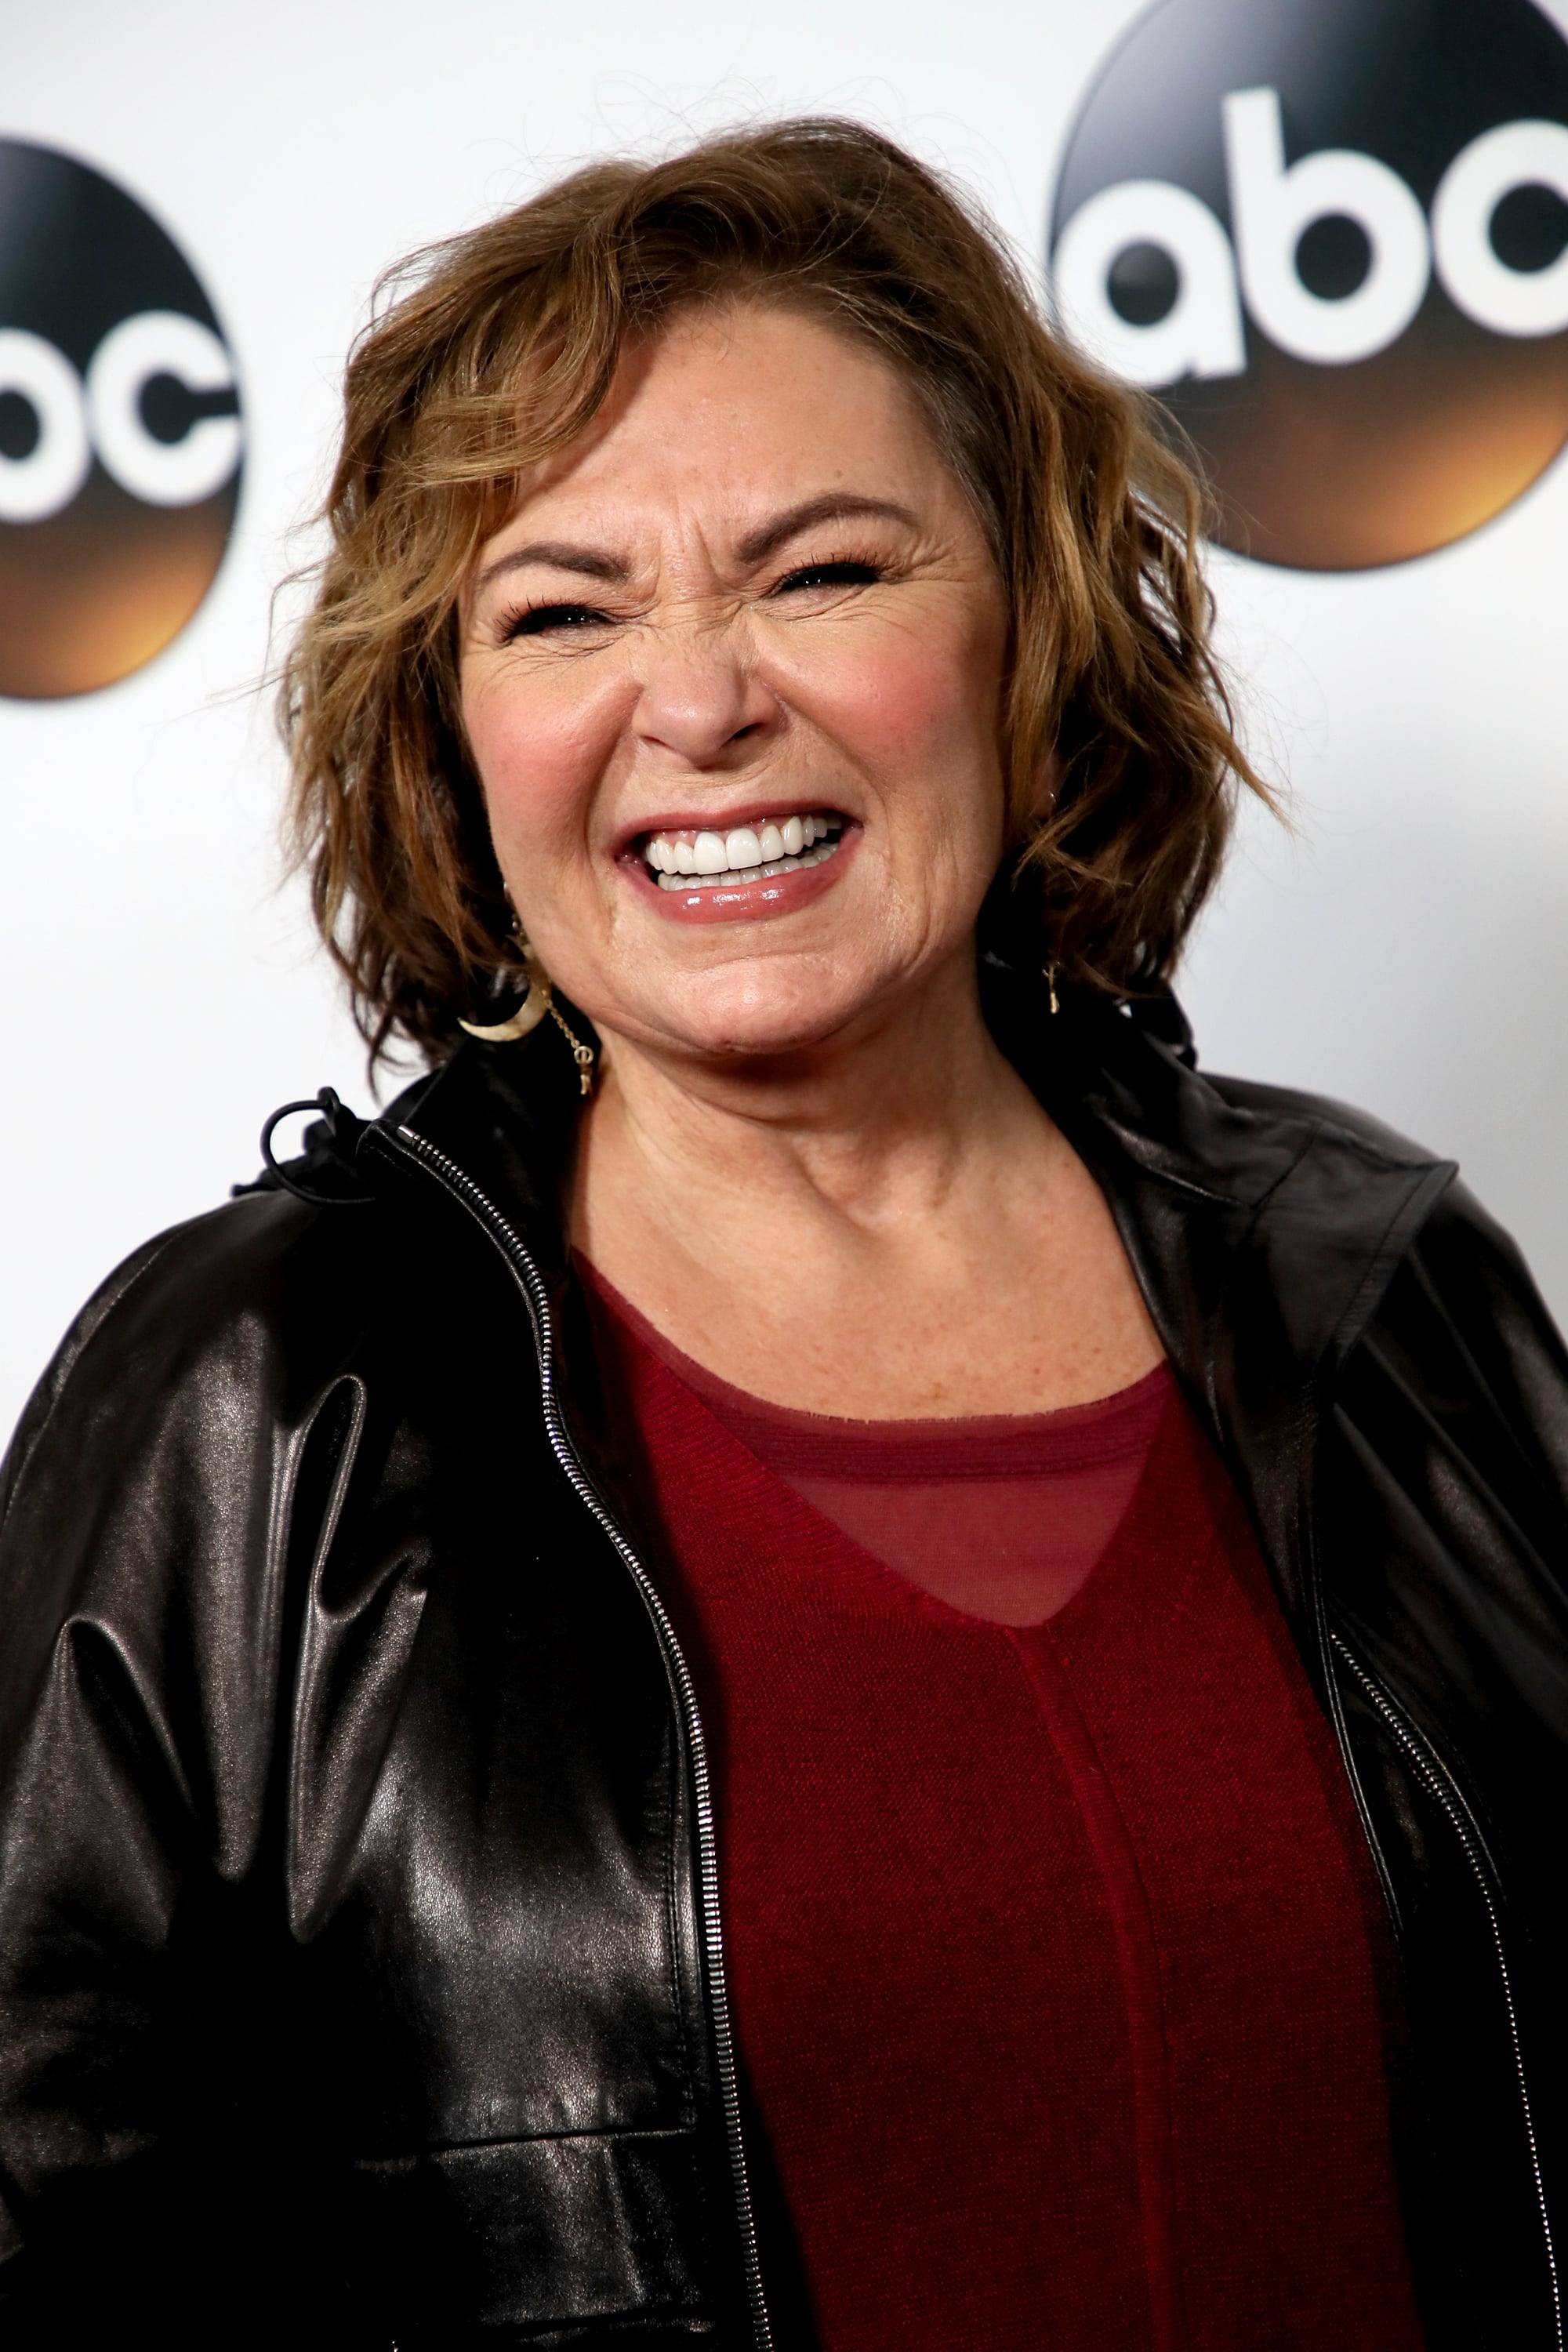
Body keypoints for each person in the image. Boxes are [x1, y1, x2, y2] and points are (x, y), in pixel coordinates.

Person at [1, 118, 1564, 2352]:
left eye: (822, 573)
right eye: (564, 611)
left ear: (1027, 632)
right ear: (456, 737)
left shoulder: (1380, 1281)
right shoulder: (255, 1404)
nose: (704, 700)